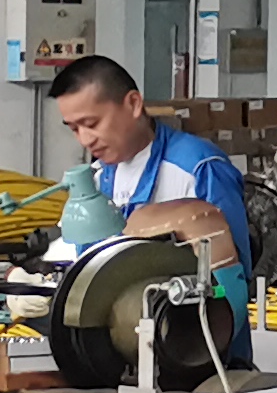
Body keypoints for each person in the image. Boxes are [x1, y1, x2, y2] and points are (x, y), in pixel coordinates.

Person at [45, 59, 258, 319]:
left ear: (134, 104)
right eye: (74, 129)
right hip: (117, 331)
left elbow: (235, 285)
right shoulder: (98, 178)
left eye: (92, 124)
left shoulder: (199, 168)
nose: (85, 139)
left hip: (197, 332)